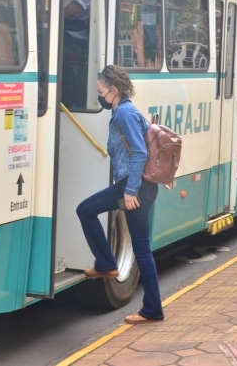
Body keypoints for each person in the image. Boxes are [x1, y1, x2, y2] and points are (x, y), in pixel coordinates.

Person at [76, 65, 164, 325]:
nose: (99, 97)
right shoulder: (122, 110)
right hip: (137, 186)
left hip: (136, 188)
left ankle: (108, 266)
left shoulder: (124, 113)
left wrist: (129, 191)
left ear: (114, 90)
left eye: (101, 92)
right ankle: (151, 307)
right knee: (141, 248)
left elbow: (140, 153)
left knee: (86, 210)